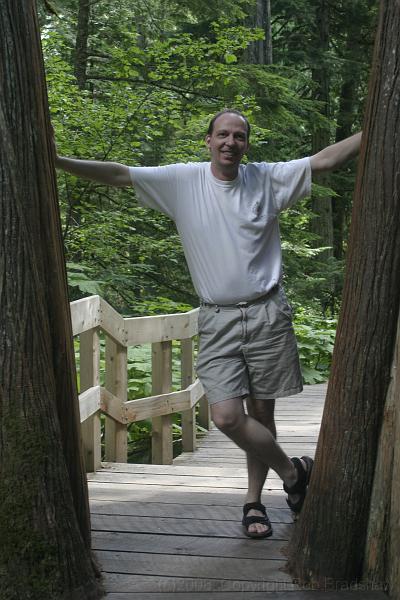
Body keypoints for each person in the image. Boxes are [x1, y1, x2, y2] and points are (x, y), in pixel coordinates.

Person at [54, 109, 361, 538]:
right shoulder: (184, 182)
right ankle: (294, 474)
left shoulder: (267, 178)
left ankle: (254, 504)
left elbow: (325, 160)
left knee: (261, 412)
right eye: (222, 135)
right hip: (216, 317)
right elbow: (119, 174)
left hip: (268, 312)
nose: (229, 142)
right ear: (208, 140)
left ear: (246, 144)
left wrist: (377, 124)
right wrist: (57, 160)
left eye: (238, 136)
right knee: (226, 416)